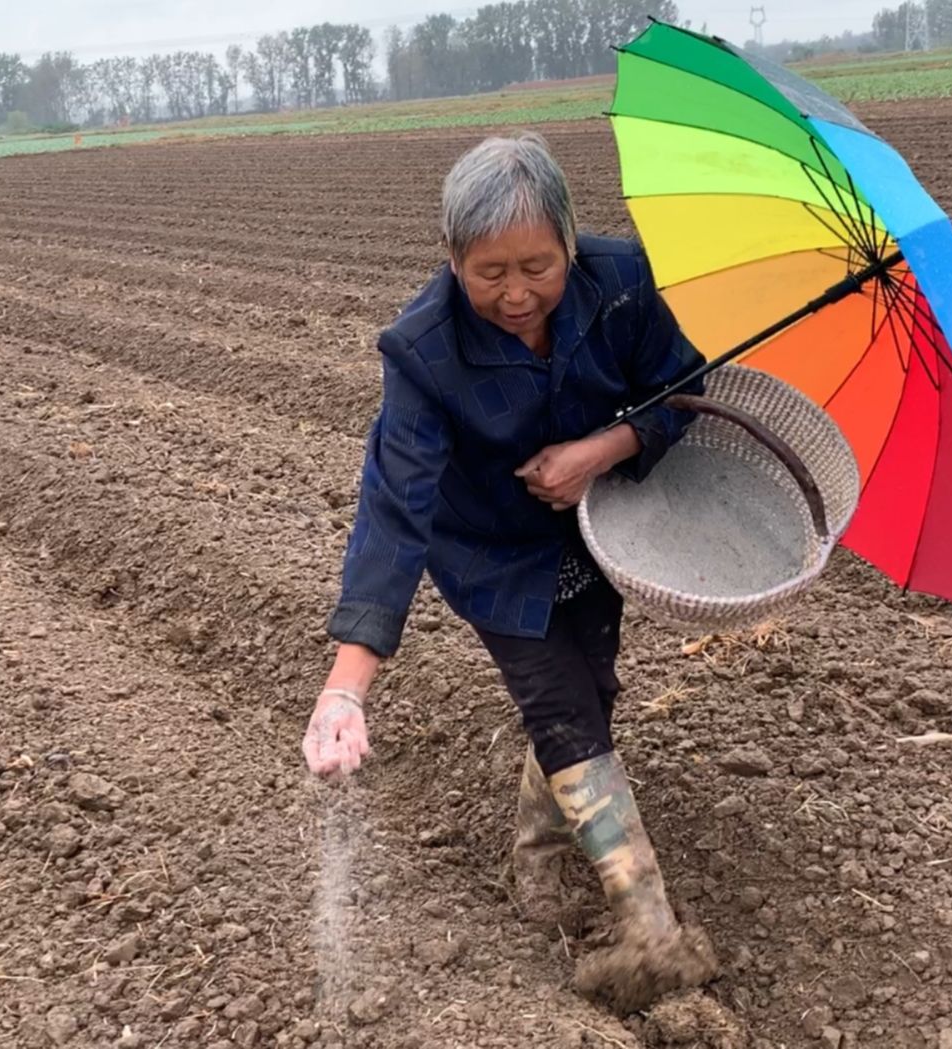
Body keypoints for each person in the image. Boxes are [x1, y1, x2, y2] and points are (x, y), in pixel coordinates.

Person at [301, 132, 717, 1010]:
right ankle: (648, 923)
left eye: (538, 266)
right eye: (490, 272)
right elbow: (395, 503)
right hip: (487, 547)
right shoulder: (422, 350)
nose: (517, 293)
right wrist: (347, 684)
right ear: (451, 258)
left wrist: (600, 450)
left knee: (592, 689)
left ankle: (536, 850)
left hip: (597, 524)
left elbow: (682, 389)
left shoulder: (626, 281)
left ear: (570, 243)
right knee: (559, 703)